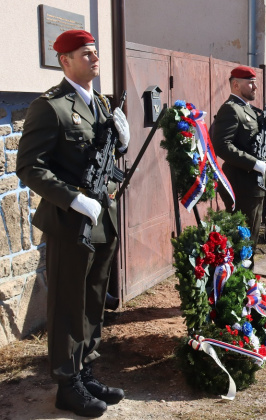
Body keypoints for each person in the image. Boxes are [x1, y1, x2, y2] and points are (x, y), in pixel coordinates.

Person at [16, 29, 129, 417]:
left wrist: (122, 144)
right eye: (86, 53)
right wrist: (74, 198)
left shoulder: (100, 103)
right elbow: (30, 167)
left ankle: (86, 369)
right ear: (65, 61)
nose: (95, 58)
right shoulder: (51, 107)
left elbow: (101, 159)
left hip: (103, 220)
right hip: (70, 223)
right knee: (68, 304)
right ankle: (67, 384)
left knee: (94, 301)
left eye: (95, 52)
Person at [213, 66, 266, 259]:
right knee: (242, 239)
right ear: (236, 85)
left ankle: (245, 282)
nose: (255, 87)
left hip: (256, 185)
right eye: (250, 82)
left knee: (251, 238)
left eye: (255, 82)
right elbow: (222, 146)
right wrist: (254, 163)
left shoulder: (249, 110)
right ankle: (237, 282)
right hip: (242, 185)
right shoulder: (230, 109)